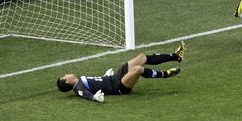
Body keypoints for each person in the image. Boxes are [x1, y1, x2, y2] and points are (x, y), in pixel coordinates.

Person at [57, 41, 186, 102]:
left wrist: (105, 76)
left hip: (115, 77)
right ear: (67, 80)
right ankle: (166, 74)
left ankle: (176, 56)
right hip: (119, 87)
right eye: (64, 76)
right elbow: (84, 94)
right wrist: (94, 98)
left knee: (141, 58)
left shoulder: (80, 80)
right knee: (138, 70)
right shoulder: (78, 87)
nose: (66, 74)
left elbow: (97, 82)